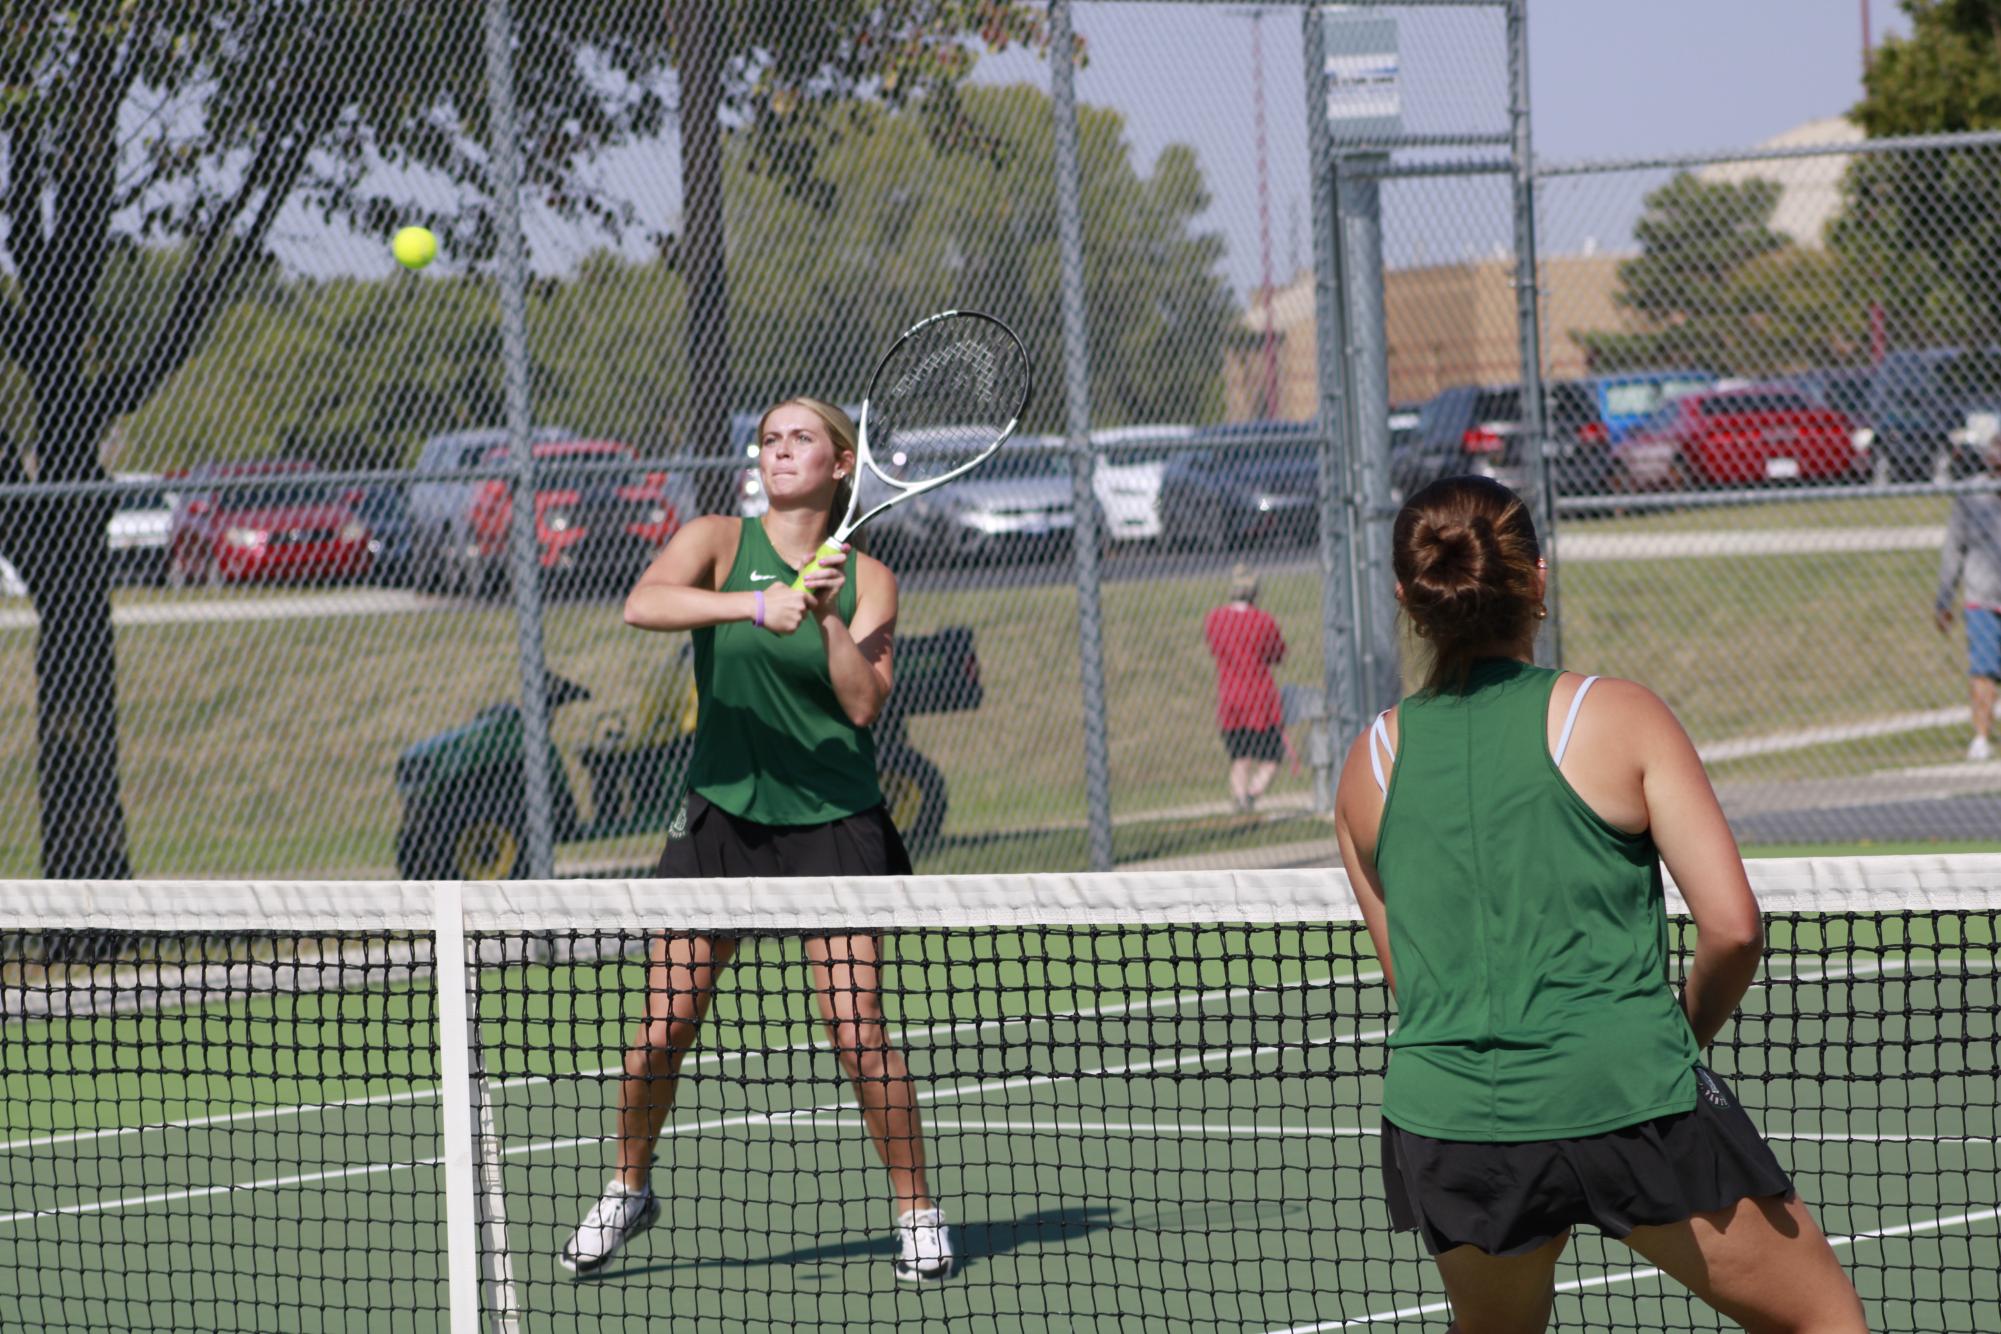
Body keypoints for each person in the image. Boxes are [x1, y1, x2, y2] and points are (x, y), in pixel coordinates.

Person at [1334, 476, 1864, 1334]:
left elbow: (1418, 987)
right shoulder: (1618, 715)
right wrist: (1668, 1043)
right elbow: (1731, 929)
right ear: (1537, 579)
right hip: (1627, 1096)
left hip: (1449, 1123)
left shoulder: (1368, 765)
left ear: (1407, 596)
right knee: (1823, 1324)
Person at [559, 397, 952, 1283]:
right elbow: (643, 604)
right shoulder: (716, 539)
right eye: (770, 439)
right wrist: (754, 605)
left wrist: (817, 614)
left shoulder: (871, 578)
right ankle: (627, 1187)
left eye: (800, 438)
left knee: (857, 1033)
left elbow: (862, 704)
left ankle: (917, 1210)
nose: (779, 450)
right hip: (720, 818)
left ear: (841, 464)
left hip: (837, 823)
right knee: (661, 1033)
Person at [1934, 438, 2001, 761]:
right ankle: (1981, 737)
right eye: (1995, 449)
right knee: (1983, 668)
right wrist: (1944, 599)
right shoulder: (1970, 495)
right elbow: (1953, 550)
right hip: (1982, 597)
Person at [1204, 563, 1289, 812]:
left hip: (1230, 696)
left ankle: (1240, 798)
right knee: (1272, 756)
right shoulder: (1262, 621)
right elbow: (1277, 653)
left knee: (1239, 756)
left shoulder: (1215, 619)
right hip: (1259, 697)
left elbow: (1214, 649)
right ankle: (1252, 794)